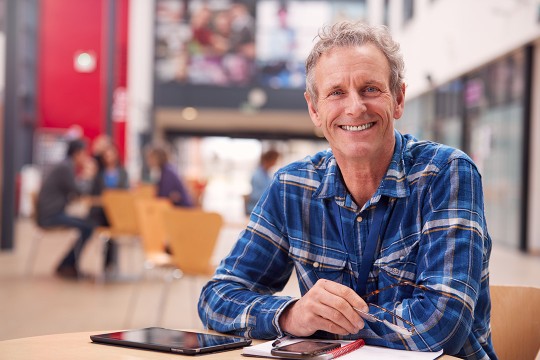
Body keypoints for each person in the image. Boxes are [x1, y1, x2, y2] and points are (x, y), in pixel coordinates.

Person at [199, 21, 496, 359]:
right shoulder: (291, 188)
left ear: (398, 99)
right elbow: (217, 297)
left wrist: (323, 322)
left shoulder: (446, 174)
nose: (355, 108)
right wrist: (292, 314)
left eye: (370, 88)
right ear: (315, 109)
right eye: (336, 92)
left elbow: (442, 328)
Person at [36, 139, 96, 279]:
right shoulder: (66, 167)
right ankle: (67, 265)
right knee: (88, 227)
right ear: (76, 153)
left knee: (87, 224)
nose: (85, 157)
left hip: (53, 212)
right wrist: (88, 176)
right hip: (51, 215)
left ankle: (68, 264)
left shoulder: (66, 166)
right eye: (84, 154)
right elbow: (77, 191)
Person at [88, 143, 129, 274]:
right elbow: (94, 194)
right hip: (101, 212)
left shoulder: (122, 173)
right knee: (104, 231)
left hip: (117, 212)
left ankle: (111, 264)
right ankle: (107, 265)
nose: (109, 157)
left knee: (113, 232)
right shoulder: (99, 174)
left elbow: (125, 192)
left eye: (111, 154)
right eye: (106, 155)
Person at [145, 143, 195, 208]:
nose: (148, 161)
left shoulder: (168, 172)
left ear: (158, 158)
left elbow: (163, 196)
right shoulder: (166, 170)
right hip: (178, 208)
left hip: (183, 210)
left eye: (151, 158)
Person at [245, 149, 280, 215]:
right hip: (256, 208)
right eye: (275, 160)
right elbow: (255, 195)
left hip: (264, 207)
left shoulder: (267, 174)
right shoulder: (257, 175)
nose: (275, 162)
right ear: (269, 160)